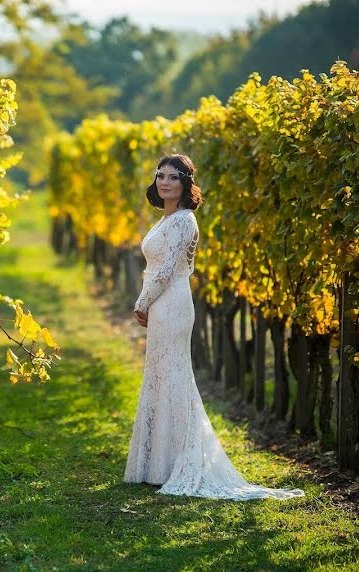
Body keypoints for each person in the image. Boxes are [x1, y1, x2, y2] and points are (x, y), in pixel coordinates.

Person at [123, 154, 304, 501]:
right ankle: (158, 465)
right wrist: (146, 300)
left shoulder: (183, 221)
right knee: (159, 376)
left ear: (185, 183)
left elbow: (165, 272)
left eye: (173, 177)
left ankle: (183, 461)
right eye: (160, 176)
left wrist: (141, 302)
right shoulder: (166, 219)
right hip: (160, 302)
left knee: (174, 377)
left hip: (172, 302)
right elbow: (155, 267)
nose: (164, 182)